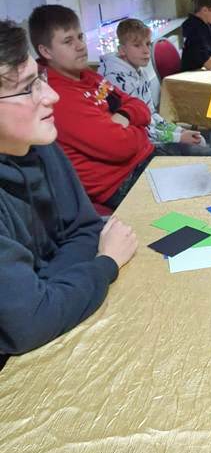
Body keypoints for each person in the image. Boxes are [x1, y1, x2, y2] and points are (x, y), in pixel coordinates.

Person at [0, 19, 137, 370]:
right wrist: (105, 263)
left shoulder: (38, 143)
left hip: (59, 313)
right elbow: (29, 323)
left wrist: (44, 286)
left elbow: (85, 228)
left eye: (39, 79)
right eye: (28, 88)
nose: (52, 96)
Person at [28, 5, 160, 210]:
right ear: (46, 51)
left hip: (146, 156)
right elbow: (120, 147)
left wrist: (124, 117)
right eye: (68, 41)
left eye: (80, 37)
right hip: (122, 183)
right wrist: (139, 130)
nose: (81, 46)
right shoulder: (55, 95)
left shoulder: (86, 75)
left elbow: (140, 106)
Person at [98, 18, 211, 156]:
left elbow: (151, 115)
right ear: (122, 50)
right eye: (137, 45)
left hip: (149, 133)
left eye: (148, 44)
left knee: (199, 140)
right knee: (204, 148)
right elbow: (138, 128)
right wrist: (178, 137)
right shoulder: (116, 80)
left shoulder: (139, 71)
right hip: (138, 143)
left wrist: (179, 131)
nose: (146, 51)